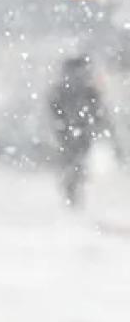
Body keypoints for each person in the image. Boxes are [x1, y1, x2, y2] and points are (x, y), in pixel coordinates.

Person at [49, 53, 108, 207]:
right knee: (77, 160)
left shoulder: (64, 88)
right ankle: (74, 188)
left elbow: (54, 107)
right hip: (80, 129)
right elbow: (97, 108)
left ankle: (72, 188)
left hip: (70, 130)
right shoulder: (87, 88)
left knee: (72, 160)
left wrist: (60, 123)